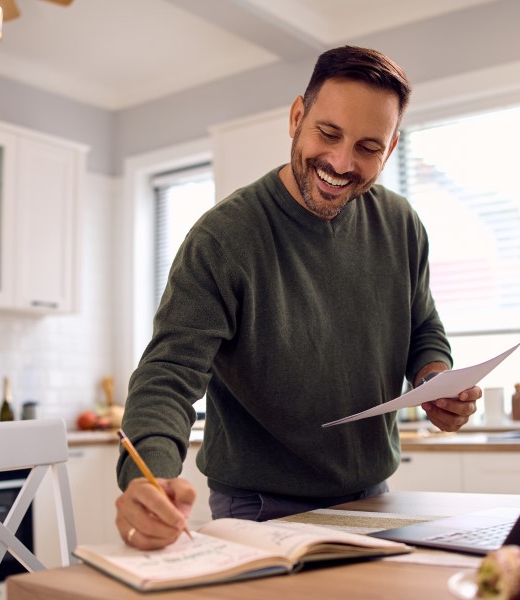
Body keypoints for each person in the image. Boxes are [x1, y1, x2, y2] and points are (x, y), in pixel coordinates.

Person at [115, 45, 482, 550]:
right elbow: (168, 374)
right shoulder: (224, 238)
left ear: (391, 149)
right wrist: (147, 478)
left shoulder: (400, 225)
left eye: (368, 147)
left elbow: (423, 328)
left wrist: (435, 377)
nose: (340, 162)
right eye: (328, 134)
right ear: (296, 117)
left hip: (372, 497)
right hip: (259, 510)